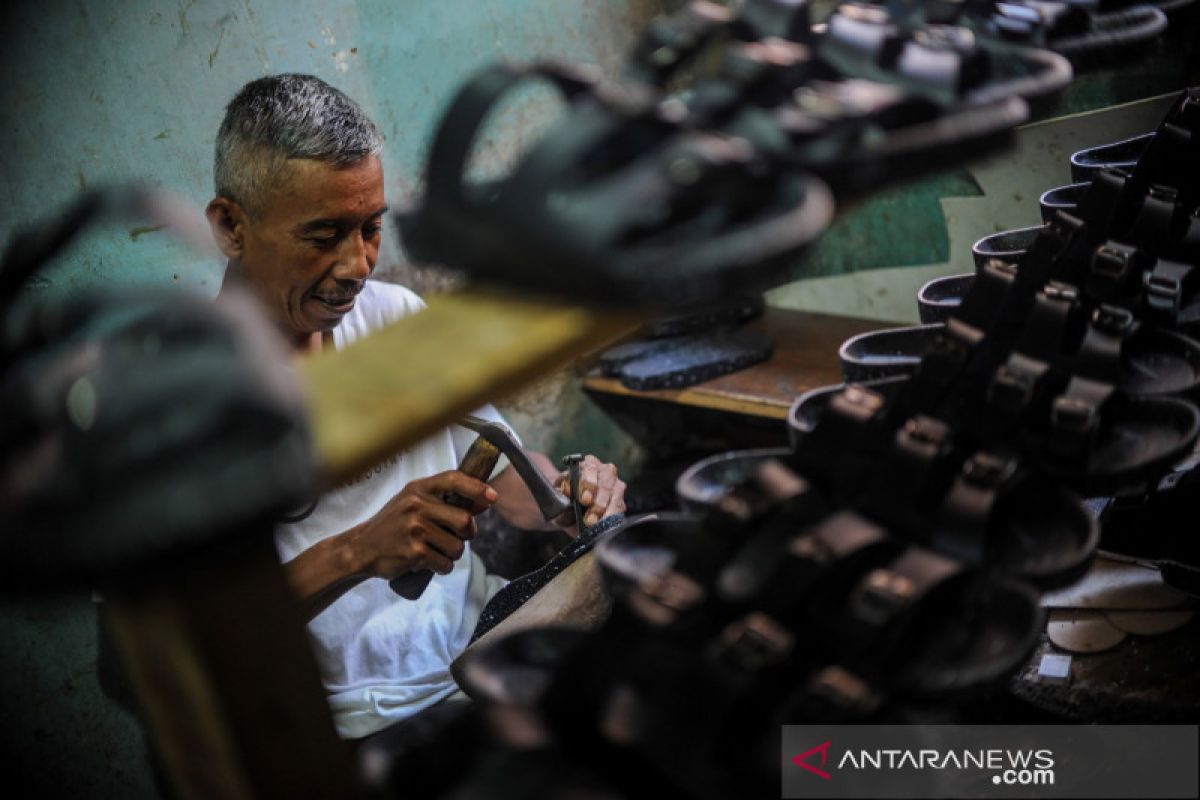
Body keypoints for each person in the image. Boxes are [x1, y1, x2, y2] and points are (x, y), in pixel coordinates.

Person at [204, 73, 626, 739]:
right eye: (324, 235)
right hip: (340, 720)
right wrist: (359, 551)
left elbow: (504, 474)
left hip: (471, 655)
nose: (358, 264)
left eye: (371, 228)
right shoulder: (183, 400)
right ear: (232, 226)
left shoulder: (395, 321)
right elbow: (206, 635)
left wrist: (568, 491)